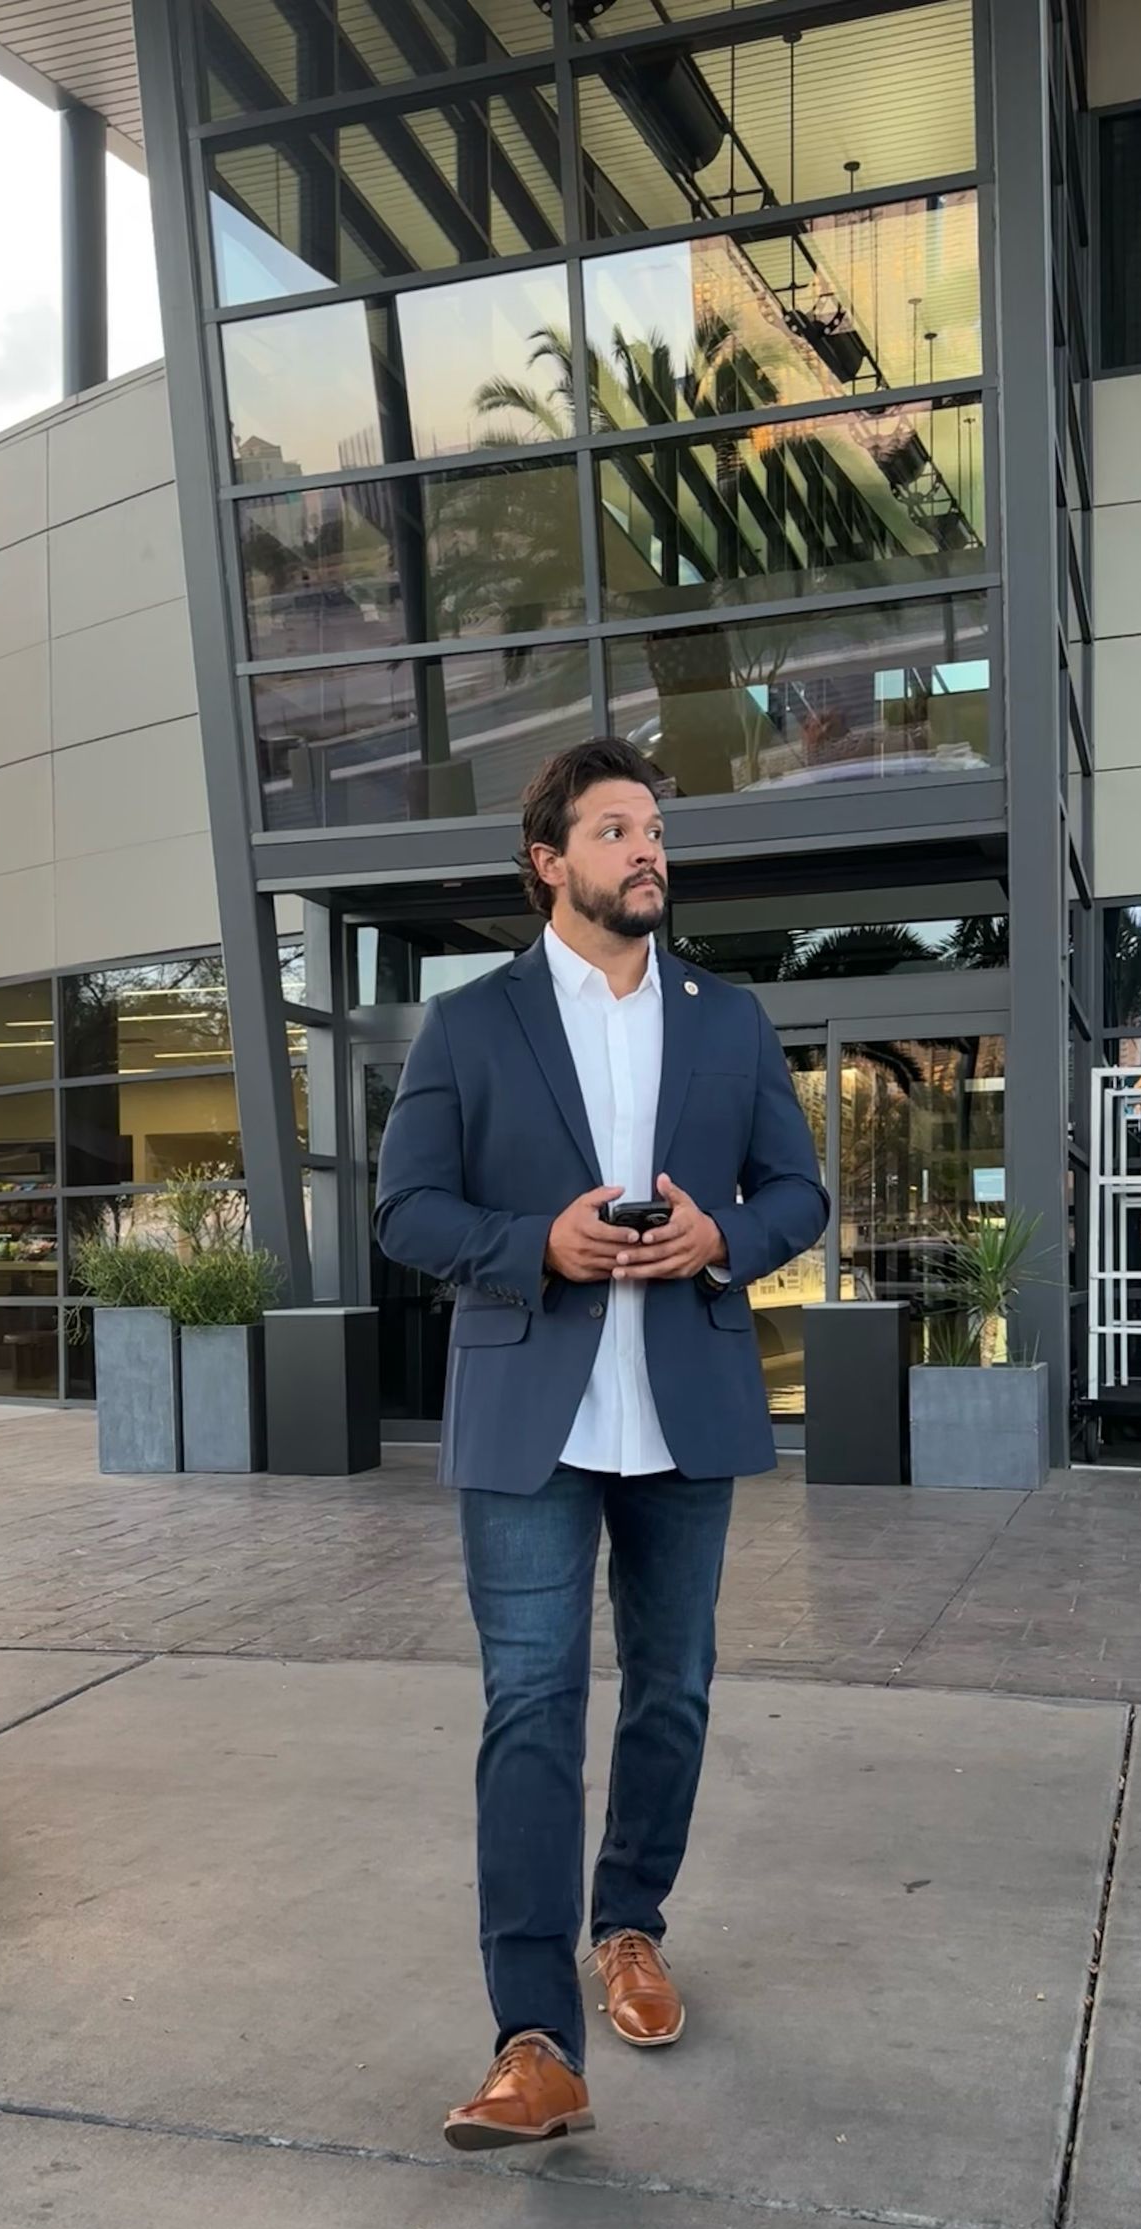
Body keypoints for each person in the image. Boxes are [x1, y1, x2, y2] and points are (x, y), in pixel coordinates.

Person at [374, 737, 829, 2151]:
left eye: (654, 830)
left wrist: (720, 1238)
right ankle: (533, 2041)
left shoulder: (727, 1018)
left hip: (685, 1404)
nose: (647, 851)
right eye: (616, 829)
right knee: (530, 1707)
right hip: (533, 1415)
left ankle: (629, 1926)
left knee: (672, 1690)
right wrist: (537, 1243)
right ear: (549, 861)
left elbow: (798, 1191)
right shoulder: (470, 1024)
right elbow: (405, 1210)